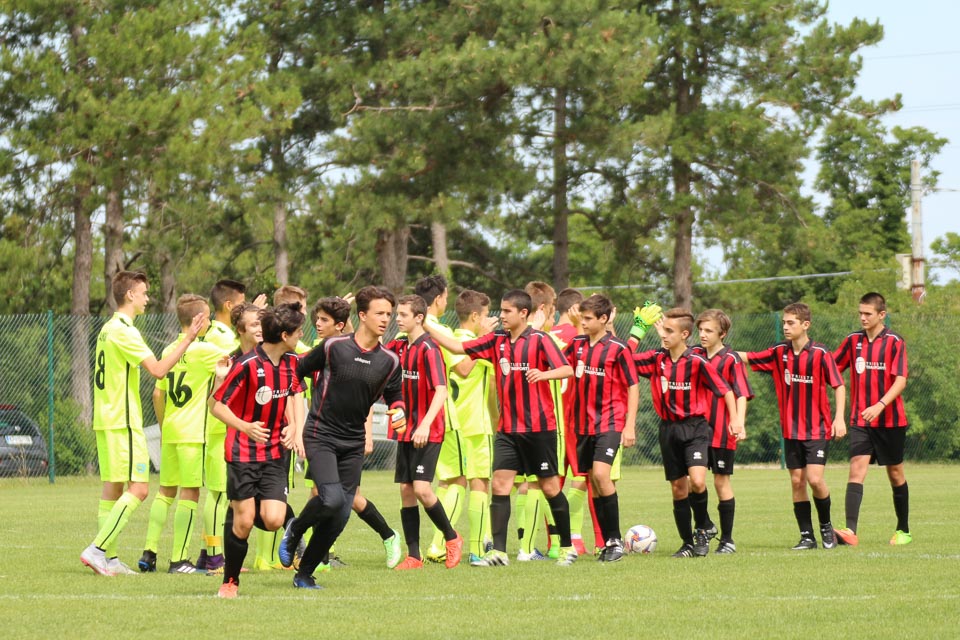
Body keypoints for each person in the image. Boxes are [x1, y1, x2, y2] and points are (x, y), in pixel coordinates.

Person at [424, 289, 579, 567]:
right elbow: (457, 348)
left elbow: (566, 369)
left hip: (539, 428)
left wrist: (544, 374)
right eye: (501, 310)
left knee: (550, 486)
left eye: (507, 311)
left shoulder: (540, 340)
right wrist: (425, 324)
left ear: (523, 313)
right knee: (499, 484)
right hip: (508, 430)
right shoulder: (497, 341)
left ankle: (568, 547)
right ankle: (499, 552)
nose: (502, 315)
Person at [81, 271, 205, 576]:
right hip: (123, 421)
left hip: (105, 419)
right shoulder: (125, 330)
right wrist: (188, 339)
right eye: (144, 293)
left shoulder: (107, 329)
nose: (147, 298)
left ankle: (109, 559)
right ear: (130, 295)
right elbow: (159, 370)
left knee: (113, 488)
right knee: (139, 489)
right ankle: (97, 550)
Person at [281, 286, 406, 590]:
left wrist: (399, 410)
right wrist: (290, 417)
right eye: (379, 313)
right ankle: (295, 529)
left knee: (339, 515)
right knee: (332, 499)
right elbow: (296, 371)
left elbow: (395, 395)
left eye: (389, 314)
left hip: (352, 443)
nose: (385, 319)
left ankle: (305, 574)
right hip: (321, 433)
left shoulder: (389, 361)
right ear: (362, 315)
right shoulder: (333, 347)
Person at [209, 303, 307, 598]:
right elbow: (217, 406)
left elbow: (296, 393)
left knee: (274, 519)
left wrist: (295, 427)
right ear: (285, 335)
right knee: (244, 522)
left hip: (275, 453)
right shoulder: (247, 364)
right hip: (242, 453)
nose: (302, 335)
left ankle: (285, 526)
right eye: (299, 331)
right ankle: (230, 581)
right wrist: (245, 426)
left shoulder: (292, 362)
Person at [633, 308, 743, 558]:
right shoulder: (656, 359)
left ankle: (702, 528)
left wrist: (735, 419)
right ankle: (687, 543)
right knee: (678, 489)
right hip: (668, 429)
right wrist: (637, 331)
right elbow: (623, 358)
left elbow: (726, 390)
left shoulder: (697, 362)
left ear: (684, 335)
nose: (663, 335)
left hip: (695, 428)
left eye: (669, 331)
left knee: (698, 481)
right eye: (663, 330)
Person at [740, 302, 846, 551]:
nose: (786, 327)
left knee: (815, 479)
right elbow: (748, 357)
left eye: (791, 323)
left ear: (805, 325)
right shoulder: (779, 352)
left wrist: (839, 418)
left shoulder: (820, 353)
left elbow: (838, 385)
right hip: (790, 429)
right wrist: (718, 351)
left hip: (817, 428)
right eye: (784, 322)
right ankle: (807, 537)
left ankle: (826, 527)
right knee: (797, 482)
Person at [139, 294, 228, 574]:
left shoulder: (169, 350)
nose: (210, 323)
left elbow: (157, 394)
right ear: (198, 320)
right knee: (190, 493)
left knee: (165, 492)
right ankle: (179, 559)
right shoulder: (205, 350)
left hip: (171, 430)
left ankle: (149, 552)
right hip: (191, 433)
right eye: (208, 318)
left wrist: (164, 426)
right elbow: (236, 359)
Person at [385, 295, 463, 570]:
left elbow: (441, 391)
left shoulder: (430, 348)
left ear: (419, 318)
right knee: (406, 490)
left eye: (403, 315)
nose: (397, 319)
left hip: (428, 430)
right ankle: (414, 556)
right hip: (406, 429)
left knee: (421, 488)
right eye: (397, 314)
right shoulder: (399, 345)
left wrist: (426, 424)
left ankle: (452, 538)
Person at [563, 294, 639, 562]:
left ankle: (615, 540)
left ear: (604, 319)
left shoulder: (618, 348)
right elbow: (560, 364)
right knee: (594, 482)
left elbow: (633, 386)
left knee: (601, 474)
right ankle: (607, 542)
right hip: (583, 425)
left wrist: (629, 425)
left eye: (587, 318)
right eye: (581, 318)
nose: (582, 322)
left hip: (610, 422)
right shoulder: (577, 344)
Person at [832, 292, 911, 546]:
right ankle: (850, 531)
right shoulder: (852, 341)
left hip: (890, 421)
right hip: (861, 421)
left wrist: (879, 405)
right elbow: (831, 368)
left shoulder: (895, 342)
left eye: (868, 313)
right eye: (860, 313)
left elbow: (901, 380)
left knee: (895, 473)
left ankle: (903, 531)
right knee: (856, 469)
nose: (863, 318)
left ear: (881, 315)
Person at [413, 275, 473, 564]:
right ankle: (442, 543)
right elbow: (463, 368)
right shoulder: (438, 329)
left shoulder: (409, 329)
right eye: (446, 298)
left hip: (415, 415)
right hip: (442, 416)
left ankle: (421, 548)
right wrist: (483, 342)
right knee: (457, 479)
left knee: (423, 484)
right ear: (438, 299)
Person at [692, 309, 753, 553]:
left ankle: (727, 540)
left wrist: (739, 421)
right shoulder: (694, 354)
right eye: (701, 330)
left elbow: (741, 393)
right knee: (692, 481)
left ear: (723, 333)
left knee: (720, 482)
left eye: (709, 330)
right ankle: (705, 525)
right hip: (695, 430)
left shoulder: (731, 359)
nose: (703, 335)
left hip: (721, 430)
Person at [447, 290, 499, 562]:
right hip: (476, 425)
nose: (489, 320)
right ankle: (477, 549)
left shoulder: (449, 339)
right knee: (480, 484)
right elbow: (483, 381)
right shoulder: (477, 344)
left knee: (449, 484)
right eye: (487, 315)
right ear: (476, 316)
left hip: (454, 425)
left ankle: (441, 545)